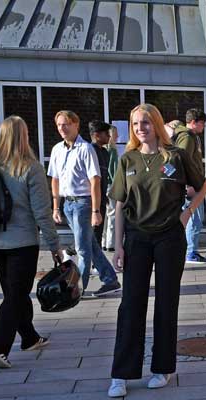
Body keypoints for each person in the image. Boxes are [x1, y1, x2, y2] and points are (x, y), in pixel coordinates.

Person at [106, 104, 206, 398]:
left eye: (146, 123)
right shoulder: (128, 159)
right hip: (137, 238)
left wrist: (187, 214)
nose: (141, 128)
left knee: (166, 303)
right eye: (136, 123)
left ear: (157, 124)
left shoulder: (175, 156)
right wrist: (118, 246)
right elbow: (120, 205)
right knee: (131, 305)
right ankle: (122, 374)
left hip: (170, 238)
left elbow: (202, 186)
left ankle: (162, 368)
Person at [0, 116, 62, 369]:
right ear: (25, 136)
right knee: (16, 295)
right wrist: (54, 245)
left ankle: (29, 338)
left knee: (13, 292)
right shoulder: (30, 167)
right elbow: (42, 212)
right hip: (22, 243)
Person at [48, 110, 121, 296]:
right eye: (59, 125)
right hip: (67, 204)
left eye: (66, 124)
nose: (62, 128)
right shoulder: (57, 149)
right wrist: (56, 206)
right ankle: (110, 280)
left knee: (82, 249)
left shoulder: (86, 149)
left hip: (83, 204)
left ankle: (77, 289)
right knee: (90, 245)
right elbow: (55, 179)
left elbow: (95, 180)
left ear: (75, 125)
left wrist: (96, 210)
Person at [171, 108, 206, 264]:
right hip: (191, 186)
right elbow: (182, 161)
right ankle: (191, 252)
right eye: (202, 124)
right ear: (194, 122)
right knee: (194, 218)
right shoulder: (187, 137)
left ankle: (188, 250)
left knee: (191, 218)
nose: (204, 127)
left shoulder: (187, 136)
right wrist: (189, 184)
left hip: (191, 184)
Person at [88, 120, 112, 249]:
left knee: (97, 231)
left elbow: (104, 176)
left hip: (101, 198)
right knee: (92, 233)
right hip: (91, 200)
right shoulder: (89, 151)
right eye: (106, 133)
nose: (109, 136)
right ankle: (95, 264)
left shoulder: (105, 153)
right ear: (97, 135)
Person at [102, 125, 120, 251]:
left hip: (101, 185)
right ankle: (111, 243)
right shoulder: (112, 150)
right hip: (110, 185)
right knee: (112, 214)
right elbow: (113, 171)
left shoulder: (100, 149)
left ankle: (103, 241)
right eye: (116, 134)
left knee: (104, 215)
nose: (118, 136)